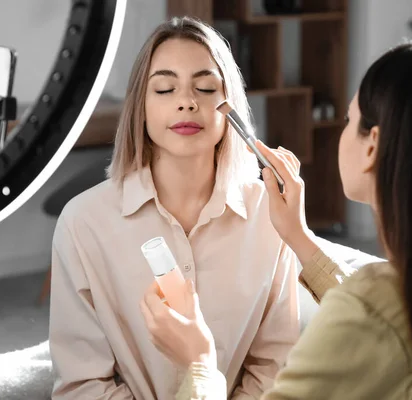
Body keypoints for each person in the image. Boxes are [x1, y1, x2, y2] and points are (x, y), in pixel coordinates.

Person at [141, 38, 412, 399]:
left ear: (372, 146)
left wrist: (198, 362)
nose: (186, 101)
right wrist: (299, 237)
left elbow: (373, 318)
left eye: (348, 119)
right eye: (165, 88)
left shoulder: (373, 307)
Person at [49, 16, 367, 400]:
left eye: (204, 87)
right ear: (141, 107)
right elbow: (82, 386)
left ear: (229, 107)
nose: (187, 101)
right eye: (165, 89)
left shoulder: (269, 216)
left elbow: (274, 366)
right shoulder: (83, 224)